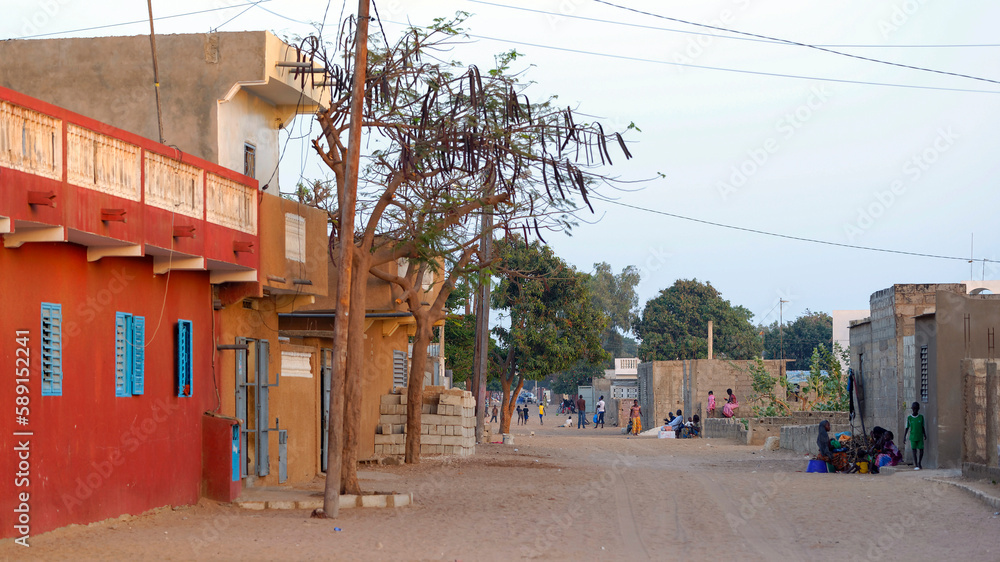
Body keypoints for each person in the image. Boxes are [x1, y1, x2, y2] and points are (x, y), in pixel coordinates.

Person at [903, 401, 927, 470]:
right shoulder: (909, 418)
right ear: (912, 408)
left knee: (921, 450)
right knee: (914, 450)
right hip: (913, 437)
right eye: (914, 408)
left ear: (918, 409)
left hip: (920, 436)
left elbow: (922, 427)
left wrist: (924, 434)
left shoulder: (921, 417)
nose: (915, 410)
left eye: (917, 408)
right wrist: (904, 437)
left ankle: (919, 462)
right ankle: (916, 464)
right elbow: (907, 428)